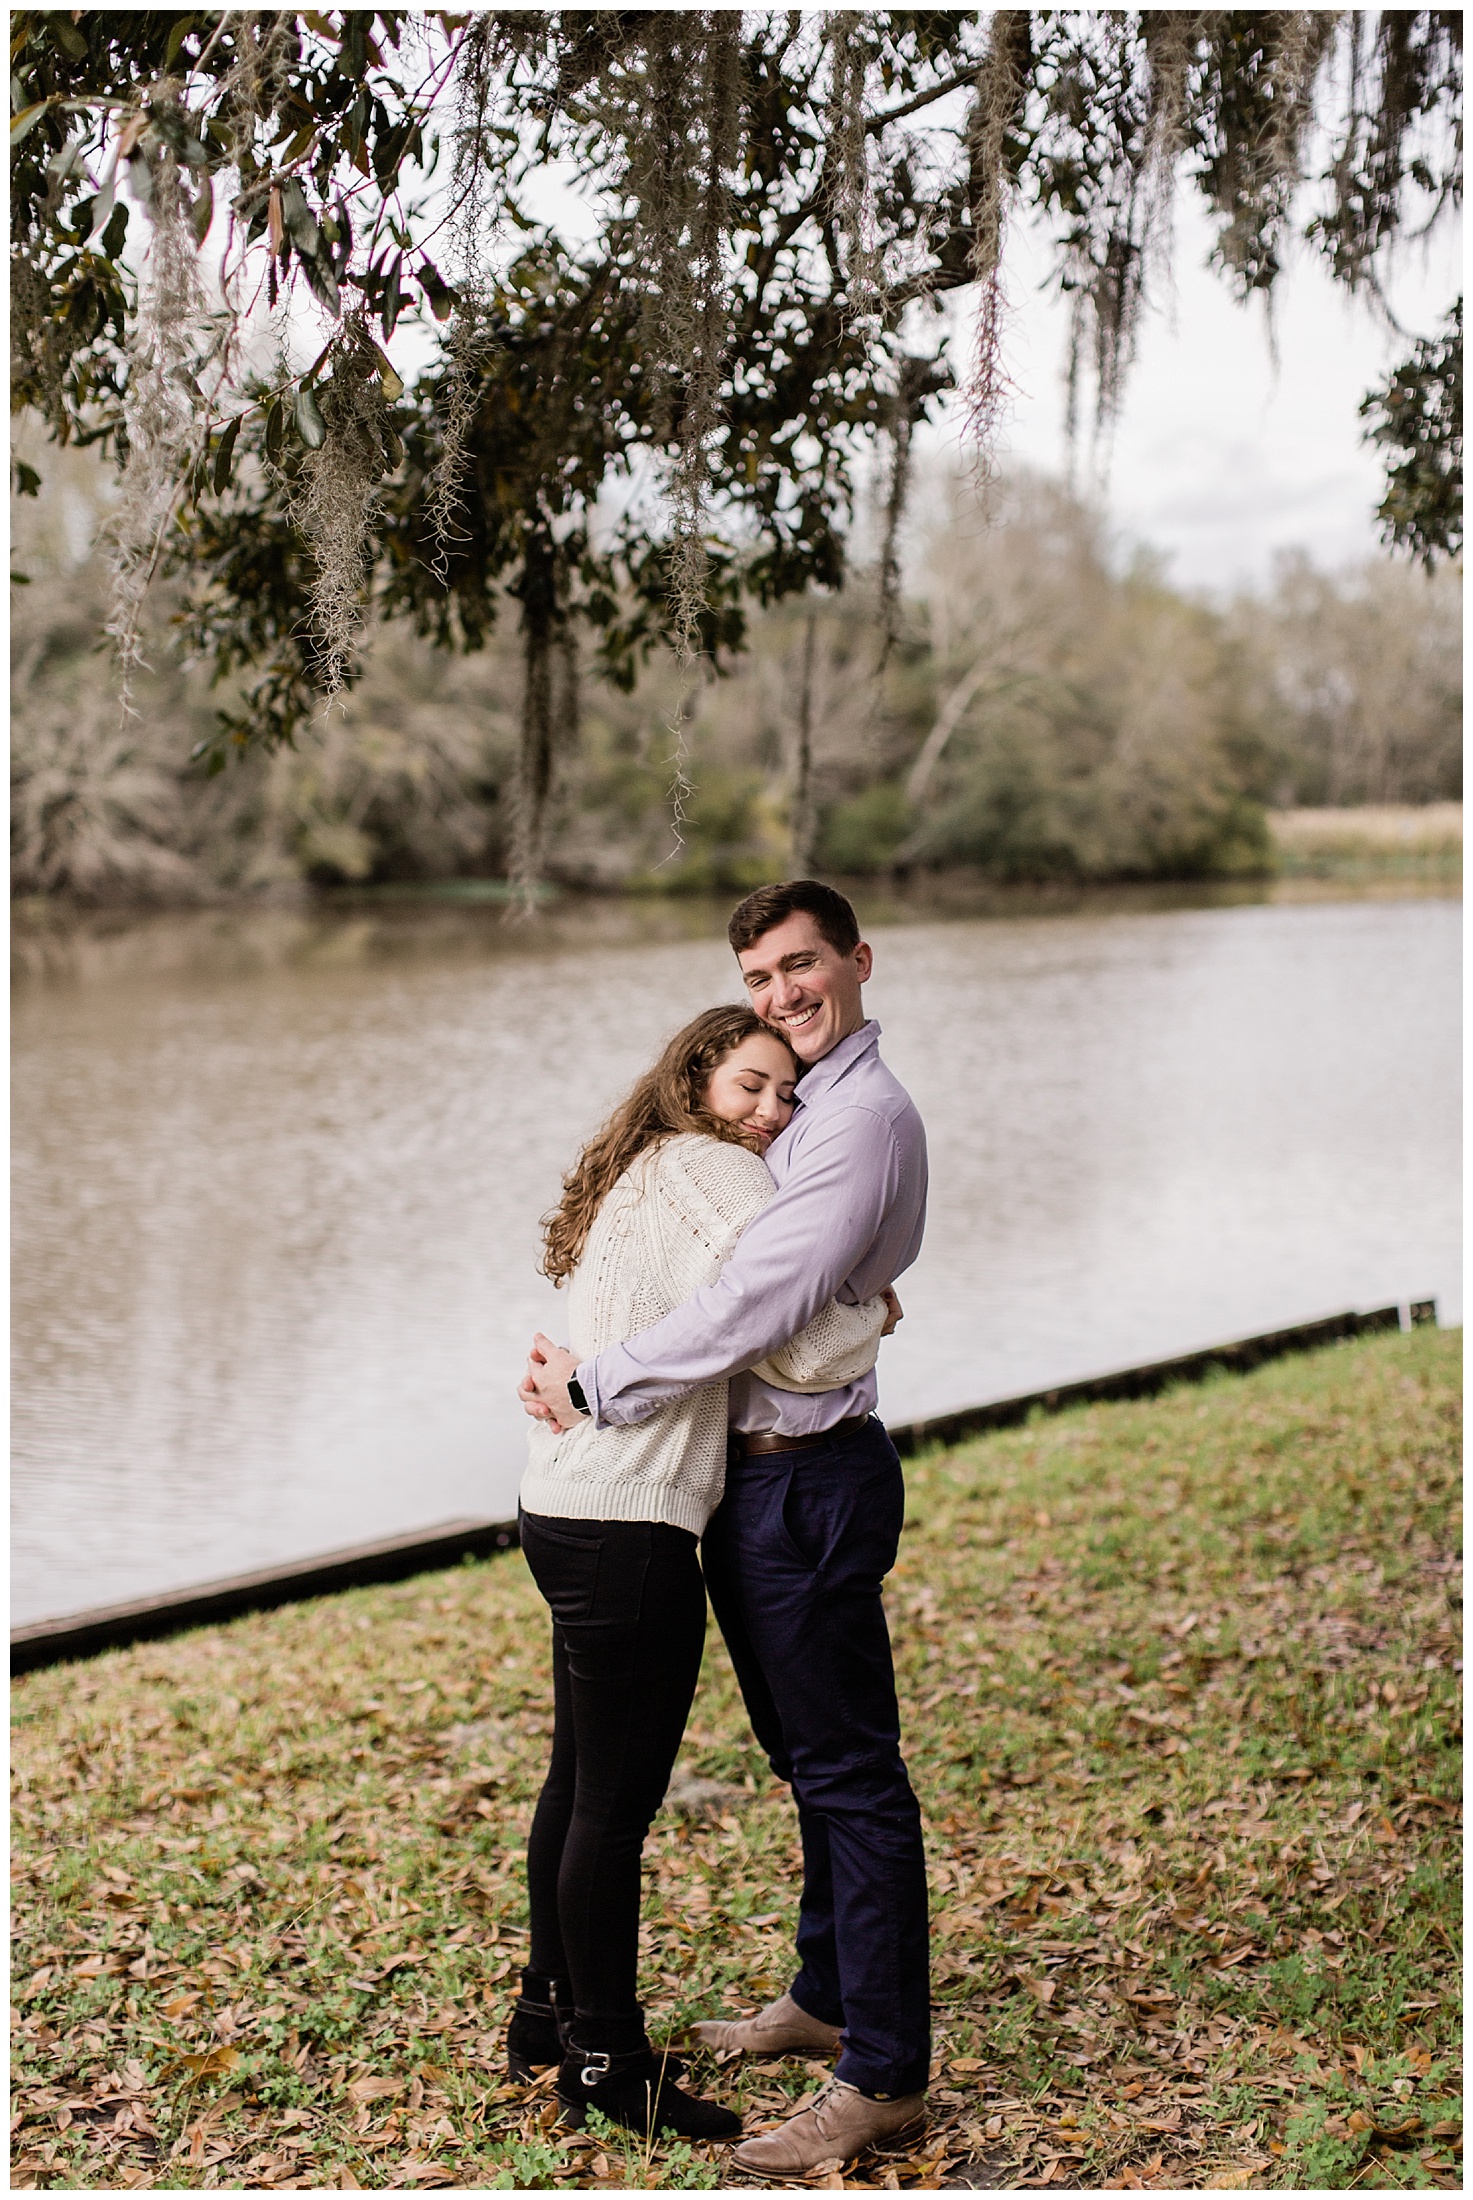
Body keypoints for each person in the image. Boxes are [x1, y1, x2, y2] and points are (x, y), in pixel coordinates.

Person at [522, 880, 931, 2179]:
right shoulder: (792, 1121)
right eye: (758, 977)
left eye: (800, 966)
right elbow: (775, 1287)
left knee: (848, 1773)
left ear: (856, 961)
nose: (782, 995)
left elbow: (769, 1303)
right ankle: (823, 1997)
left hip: (805, 1479)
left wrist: (594, 1383)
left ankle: (880, 2074)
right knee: (805, 1762)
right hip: (743, 1483)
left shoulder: (856, 1117)